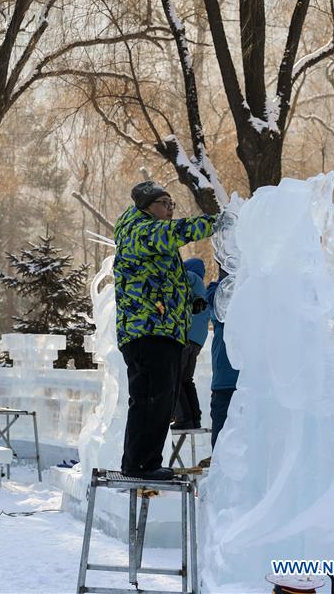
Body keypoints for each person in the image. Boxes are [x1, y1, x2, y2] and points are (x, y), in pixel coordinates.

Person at [114, 181, 214, 480]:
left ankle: (144, 461)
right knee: (151, 400)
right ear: (146, 206)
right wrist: (215, 222)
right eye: (164, 202)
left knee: (159, 399)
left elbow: (167, 280)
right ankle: (141, 465)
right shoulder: (139, 229)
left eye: (172, 204)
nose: (170, 208)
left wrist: (190, 303)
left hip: (163, 330)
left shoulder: (153, 238)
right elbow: (174, 233)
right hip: (148, 330)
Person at [171, 258, 209, 430]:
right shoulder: (202, 288)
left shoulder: (192, 277)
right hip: (197, 341)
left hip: (185, 337)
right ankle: (194, 417)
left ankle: (183, 417)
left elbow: (179, 276)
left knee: (174, 378)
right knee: (186, 379)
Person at [206, 273, 239, 449]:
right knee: (222, 438)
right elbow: (212, 297)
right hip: (226, 383)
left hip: (235, 382)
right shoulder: (220, 305)